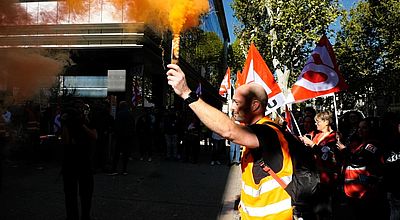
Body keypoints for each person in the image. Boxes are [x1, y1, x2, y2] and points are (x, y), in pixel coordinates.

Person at [166, 64, 293, 219]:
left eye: (237, 102)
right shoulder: (256, 131)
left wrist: (186, 93)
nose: (232, 107)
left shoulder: (268, 132)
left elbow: (229, 130)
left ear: (255, 105)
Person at [336, 117, 388, 220]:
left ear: (371, 129)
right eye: (359, 128)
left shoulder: (372, 144)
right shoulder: (360, 144)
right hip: (354, 190)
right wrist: (340, 141)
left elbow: (359, 160)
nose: (360, 130)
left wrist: (345, 150)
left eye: (364, 128)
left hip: (366, 191)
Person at [299, 111, 340, 220]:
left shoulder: (334, 136)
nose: (316, 124)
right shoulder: (317, 135)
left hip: (327, 176)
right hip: (315, 176)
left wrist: (312, 144)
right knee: (315, 207)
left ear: (327, 122)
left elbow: (326, 154)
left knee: (324, 208)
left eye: (318, 122)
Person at [60, 100, 97, 220]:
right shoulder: (69, 122)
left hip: (83, 162)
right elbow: (65, 141)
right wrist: (65, 124)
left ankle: (85, 216)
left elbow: (94, 136)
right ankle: (73, 216)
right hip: (71, 162)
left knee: (85, 193)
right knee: (71, 193)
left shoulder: (87, 121)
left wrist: (82, 125)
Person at [109, 101, 135, 175]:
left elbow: (116, 125)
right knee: (125, 153)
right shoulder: (130, 114)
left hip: (120, 136)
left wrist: (115, 133)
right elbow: (132, 125)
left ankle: (114, 169)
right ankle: (124, 170)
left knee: (117, 153)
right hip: (128, 136)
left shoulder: (119, 114)